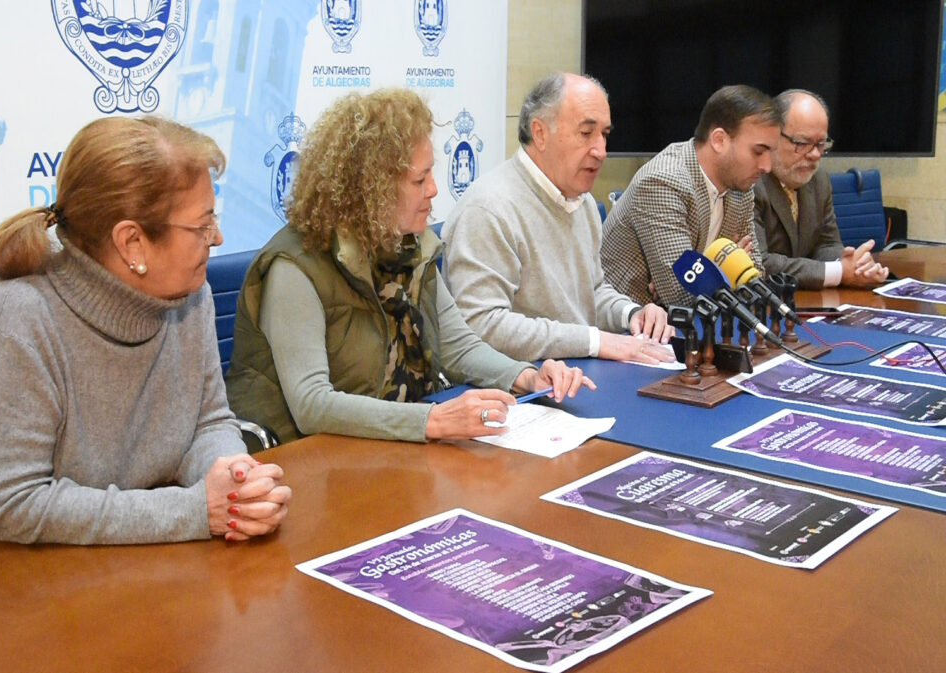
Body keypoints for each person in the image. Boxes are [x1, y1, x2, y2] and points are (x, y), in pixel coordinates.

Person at [0, 117, 290, 557]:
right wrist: (195, 510)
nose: (218, 237)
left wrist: (235, 480)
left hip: (126, 560)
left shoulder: (192, 297)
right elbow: (13, 504)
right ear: (132, 243)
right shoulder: (18, 321)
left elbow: (208, 422)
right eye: (202, 226)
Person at [224, 89, 594, 444]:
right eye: (420, 179)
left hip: (391, 443)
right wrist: (433, 421)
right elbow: (312, 405)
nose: (434, 189)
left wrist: (526, 376)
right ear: (371, 189)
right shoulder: (294, 268)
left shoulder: (409, 246)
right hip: (307, 459)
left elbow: (458, 347)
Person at [441, 72, 673, 364]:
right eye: (586, 133)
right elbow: (481, 325)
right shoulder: (488, 209)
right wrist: (595, 341)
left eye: (604, 135)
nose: (601, 151)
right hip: (518, 383)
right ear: (540, 133)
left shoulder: (584, 203)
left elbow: (591, 293)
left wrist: (631, 314)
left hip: (577, 371)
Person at [600, 85, 781, 308]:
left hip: (691, 321)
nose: (767, 166)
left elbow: (754, 277)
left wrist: (709, 272)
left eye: (770, 153)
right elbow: (682, 296)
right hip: (626, 320)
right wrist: (725, 268)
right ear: (719, 140)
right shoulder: (662, 181)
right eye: (758, 152)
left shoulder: (740, 185)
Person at [754, 89, 889, 289]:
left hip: (807, 299)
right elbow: (759, 263)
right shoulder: (750, 182)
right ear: (772, 135)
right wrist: (838, 272)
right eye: (803, 143)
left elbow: (827, 244)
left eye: (821, 144)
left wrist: (855, 265)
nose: (815, 155)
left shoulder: (819, 180)